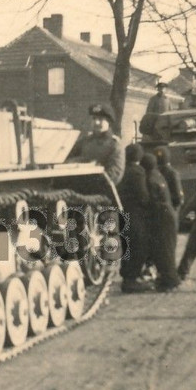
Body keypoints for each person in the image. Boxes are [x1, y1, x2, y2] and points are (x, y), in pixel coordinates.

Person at [141, 152, 182, 292]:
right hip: (168, 215)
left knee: (163, 251)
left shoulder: (150, 178)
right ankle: (168, 279)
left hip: (161, 217)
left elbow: (149, 200)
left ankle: (170, 281)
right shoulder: (159, 175)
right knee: (166, 250)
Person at [118, 143, 151, 293]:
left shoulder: (122, 170)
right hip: (136, 213)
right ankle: (132, 279)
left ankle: (127, 277)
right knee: (139, 245)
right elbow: (142, 195)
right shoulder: (138, 172)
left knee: (126, 246)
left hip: (122, 212)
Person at [69, 104, 125, 185]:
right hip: (77, 184)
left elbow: (115, 174)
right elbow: (69, 157)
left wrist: (90, 181)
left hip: (100, 187)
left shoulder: (114, 145)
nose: (96, 122)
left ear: (109, 122)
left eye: (100, 119)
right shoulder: (84, 141)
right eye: (94, 118)